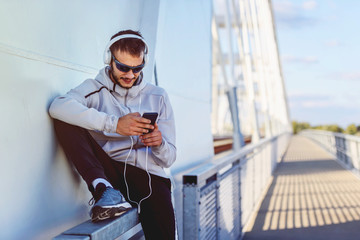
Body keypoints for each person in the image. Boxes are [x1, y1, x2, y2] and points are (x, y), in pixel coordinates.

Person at [49, 29, 176, 240]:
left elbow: (169, 158)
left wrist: (159, 143)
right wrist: (114, 125)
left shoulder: (158, 96)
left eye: (137, 69)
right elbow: (58, 107)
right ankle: (104, 189)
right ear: (109, 59)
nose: (130, 75)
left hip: (149, 179)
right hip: (110, 174)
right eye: (123, 67)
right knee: (65, 120)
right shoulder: (94, 88)